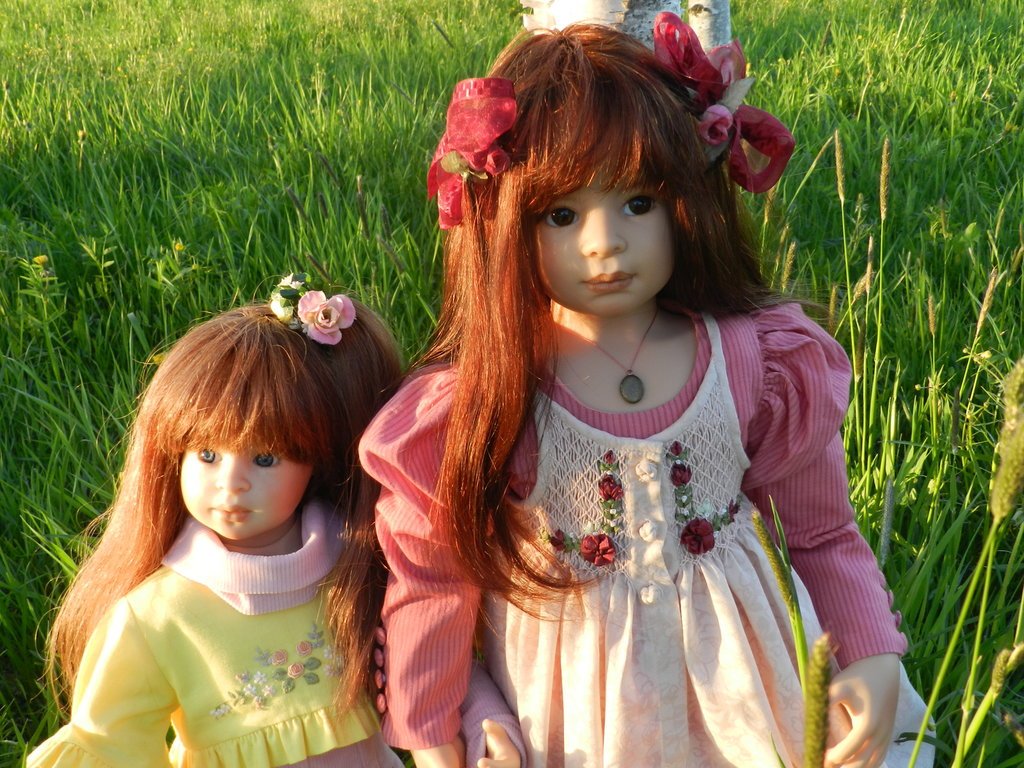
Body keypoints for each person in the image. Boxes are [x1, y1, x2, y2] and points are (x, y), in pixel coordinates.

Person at [360, 14, 930, 768]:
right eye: (562, 215)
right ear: (500, 223)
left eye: (638, 203)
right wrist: (438, 725)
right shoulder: (484, 401)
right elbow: (436, 583)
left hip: (750, 686)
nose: (605, 244)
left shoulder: (756, 360)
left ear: (687, 198)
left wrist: (869, 652)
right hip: (576, 714)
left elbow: (821, 532)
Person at [29, 276, 523, 768]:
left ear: (318, 463)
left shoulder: (356, 562)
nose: (231, 484)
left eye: (265, 459)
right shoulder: (157, 615)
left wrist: (486, 729)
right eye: (206, 455)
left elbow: (435, 651)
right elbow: (110, 744)